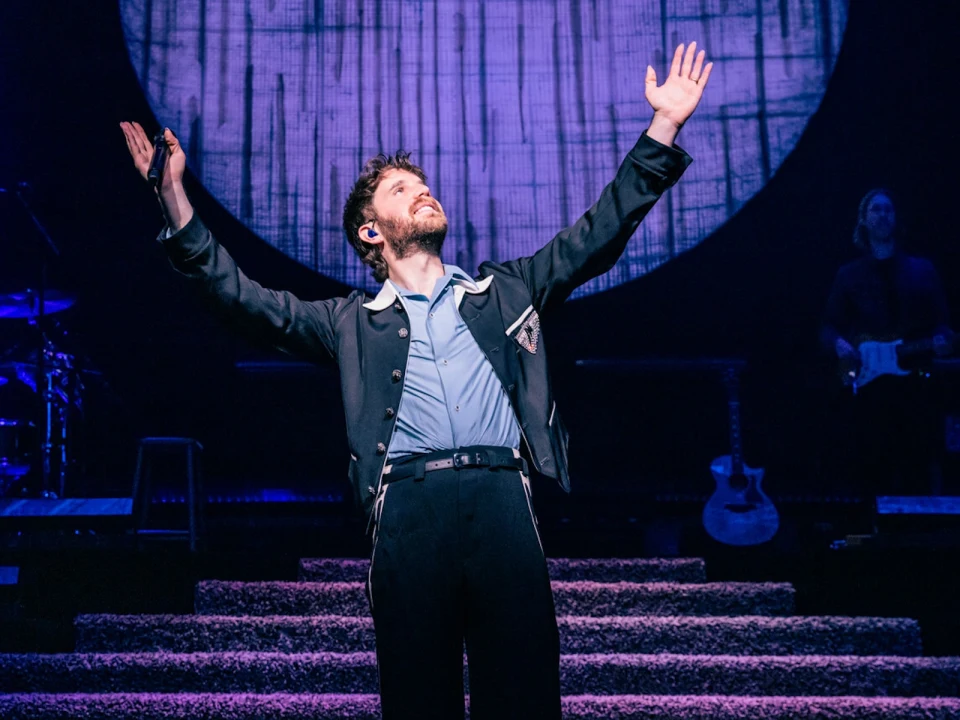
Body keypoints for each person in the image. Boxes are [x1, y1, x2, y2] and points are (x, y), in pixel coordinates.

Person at [121, 42, 712, 720]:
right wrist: (173, 197)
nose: (422, 189)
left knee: (522, 695)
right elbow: (238, 296)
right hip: (407, 510)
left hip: (500, 498)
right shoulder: (347, 322)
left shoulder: (508, 289)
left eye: (422, 182)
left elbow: (600, 233)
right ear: (371, 231)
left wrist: (663, 126)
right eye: (402, 189)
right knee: (417, 699)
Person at [822, 188, 953, 497]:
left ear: (896, 219)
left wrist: (945, 341)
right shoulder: (849, 275)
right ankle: (864, 542)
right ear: (864, 221)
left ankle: (919, 540)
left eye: (888, 210)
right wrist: (840, 345)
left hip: (916, 385)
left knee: (917, 468)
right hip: (869, 392)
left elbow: (943, 324)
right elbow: (827, 327)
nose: (883, 215)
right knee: (872, 472)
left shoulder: (922, 270)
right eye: (876, 210)